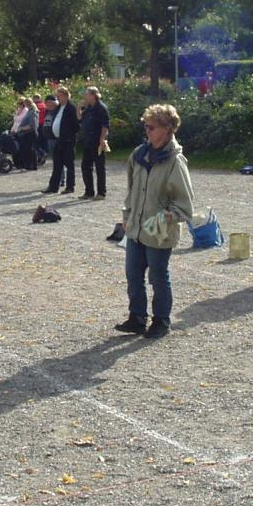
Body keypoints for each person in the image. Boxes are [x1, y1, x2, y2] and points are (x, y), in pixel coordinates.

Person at [117, 104, 194, 339]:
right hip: (136, 229)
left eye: (152, 127)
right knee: (133, 274)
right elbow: (131, 190)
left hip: (159, 232)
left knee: (158, 277)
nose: (147, 131)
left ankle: (161, 321)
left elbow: (185, 205)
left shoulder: (175, 162)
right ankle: (137, 318)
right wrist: (127, 216)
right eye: (146, 126)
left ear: (168, 129)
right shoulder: (138, 155)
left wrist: (166, 217)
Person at [42, 86, 79, 194]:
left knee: (69, 164)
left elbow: (76, 126)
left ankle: (70, 187)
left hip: (68, 140)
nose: (58, 99)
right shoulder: (59, 108)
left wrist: (68, 133)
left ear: (66, 96)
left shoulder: (71, 108)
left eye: (59, 96)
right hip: (58, 140)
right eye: (57, 97)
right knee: (57, 164)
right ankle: (53, 187)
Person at [79, 86, 110, 199]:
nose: (84, 96)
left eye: (86, 94)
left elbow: (105, 125)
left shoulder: (101, 108)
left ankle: (101, 193)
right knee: (85, 166)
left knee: (100, 167)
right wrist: (79, 107)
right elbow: (80, 118)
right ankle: (89, 191)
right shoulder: (89, 108)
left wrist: (102, 139)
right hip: (88, 141)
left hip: (97, 141)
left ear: (93, 95)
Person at [16, 98, 39, 170]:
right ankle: (30, 165)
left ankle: (32, 165)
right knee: (29, 150)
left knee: (30, 150)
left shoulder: (32, 112)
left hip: (30, 133)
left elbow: (32, 125)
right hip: (28, 134)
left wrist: (22, 128)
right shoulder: (30, 111)